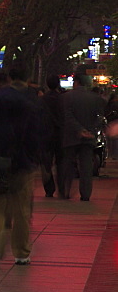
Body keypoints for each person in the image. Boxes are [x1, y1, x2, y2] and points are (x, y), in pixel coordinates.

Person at [0, 65, 41, 265]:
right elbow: (36, 133)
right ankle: (21, 253)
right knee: (21, 209)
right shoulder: (31, 100)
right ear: (28, 77)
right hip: (22, 161)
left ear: (9, 77)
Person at [61, 72, 105, 201]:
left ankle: (66, 191)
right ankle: (85, 194)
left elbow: (67, 116)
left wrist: (79, 129)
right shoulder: (95, 98)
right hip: (89, 137)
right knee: (86, 166)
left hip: (71, 136)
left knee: (68, 164)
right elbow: (100, 117)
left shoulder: (66, 97)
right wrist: (90, 130)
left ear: (76, 82)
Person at [40, 74, 64, 197]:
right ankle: (62, 187)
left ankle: (49, 189)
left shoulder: (42, 100)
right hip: (59, 134)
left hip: (45, 134)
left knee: (46, 163)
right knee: (60, 161)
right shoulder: (62, 99)